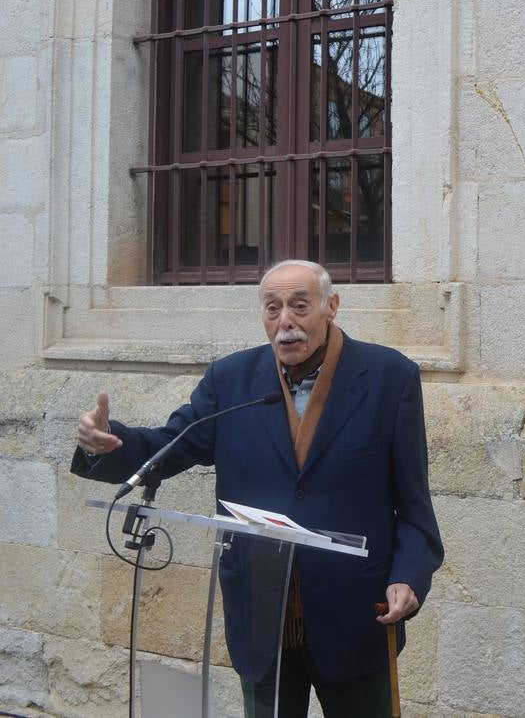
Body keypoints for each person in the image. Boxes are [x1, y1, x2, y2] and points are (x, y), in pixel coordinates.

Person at [72, 259, 443, 718]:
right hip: (262, 615)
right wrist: (105, 447)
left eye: (299, 306)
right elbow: (171, 445)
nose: (284, 321)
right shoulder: (231, 380)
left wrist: (408, 576)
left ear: (332, 306)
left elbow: (413, 505)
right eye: (272, 308)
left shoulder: (390, 377)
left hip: (356, 614)